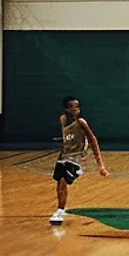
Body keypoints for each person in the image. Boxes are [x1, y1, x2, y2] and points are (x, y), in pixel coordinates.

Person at [51, 96, 109, 225]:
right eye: (72, 107)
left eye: (77, 106)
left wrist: (101, 166)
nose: (75, 109)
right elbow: (66, 142)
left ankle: (59, 211)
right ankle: (61, 208)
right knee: (59, 184)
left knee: (62, 181)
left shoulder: (81, 122)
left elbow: (93, 141)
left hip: (77, 158)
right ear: (66, 109)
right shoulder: (63, 120)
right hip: (64, 157)